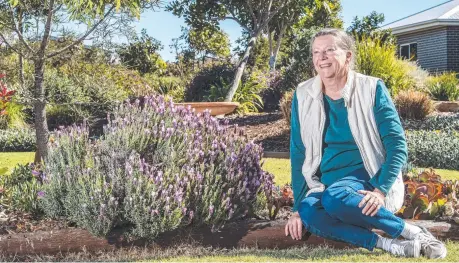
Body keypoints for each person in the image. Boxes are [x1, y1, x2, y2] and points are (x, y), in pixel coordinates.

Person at [284, 28, 447, 259]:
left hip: (367, 176)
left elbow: (397, 145)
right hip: (326, 183)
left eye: (329, 50)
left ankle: (414, 232)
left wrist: (380, 190)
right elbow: (299, 153)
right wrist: (296, 208)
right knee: (309, 212)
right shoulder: (303, 94)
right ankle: (390, 245)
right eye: (316, 52)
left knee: (335, 198)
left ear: (348, 57)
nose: (321, 58)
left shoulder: (372, 89)